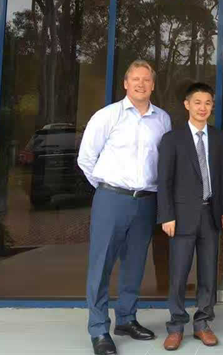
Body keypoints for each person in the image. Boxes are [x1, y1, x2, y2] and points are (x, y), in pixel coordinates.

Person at [77, 60, 171, 355]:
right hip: (112, 199)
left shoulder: (162, 119)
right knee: (101, 265)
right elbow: (86, 158)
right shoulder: (107, 116)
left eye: (146, 80)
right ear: (126, 84)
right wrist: (108, 188)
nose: (141, 84)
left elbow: (164, 162)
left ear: (153, 85)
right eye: (135, 79)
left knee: (135, 264)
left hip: (146, 201)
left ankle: (127, 319)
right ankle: (98, 328)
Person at [157, 82, 223, 351]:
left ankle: (202, 323)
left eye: (208, 103)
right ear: (187, 104)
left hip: (211, 213)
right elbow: (164, 181)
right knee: (178, 273)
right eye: (197, 102)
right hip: (181, 216)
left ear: (212, 107)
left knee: (209, 273)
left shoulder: (219, 138)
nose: (203, 108)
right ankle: (176, 326)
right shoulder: (172, 139)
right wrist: (167, 215)